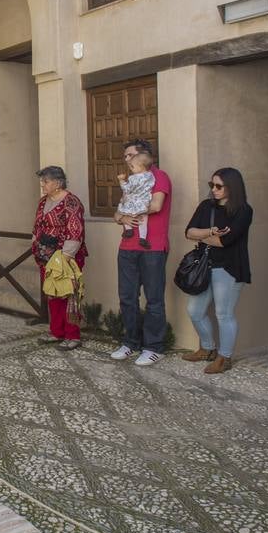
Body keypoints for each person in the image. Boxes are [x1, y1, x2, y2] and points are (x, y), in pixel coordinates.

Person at [181, 168, 254, 374]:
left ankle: (225, 357)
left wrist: (203, 235)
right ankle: (207, 348)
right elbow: (189, 232)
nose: (214, 189)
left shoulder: (243, 210)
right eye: (211, 185)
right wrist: (210, 232)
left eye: (219, 186)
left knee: (224, 314)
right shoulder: (206, 206)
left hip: (229, 268)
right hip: (205, 266)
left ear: (233, 187)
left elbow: (225, 241)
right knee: (194, 311)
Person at [109, 139, 172, 366]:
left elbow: (156, 206)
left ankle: (154, 347)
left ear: (143, 156)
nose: (126, 160)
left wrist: (130, 209)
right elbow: (117, 214)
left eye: (130, 155)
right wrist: (123, 216)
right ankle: (130, 343)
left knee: (154, 300)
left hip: (152, 248)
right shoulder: (132, 181)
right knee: (127, 297)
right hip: (127, 248)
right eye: (125, 156)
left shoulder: (158, 177)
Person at [32, 166, 88, 349]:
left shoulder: (71, 202)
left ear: (58, 183)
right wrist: (35, 244)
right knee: (52, 293)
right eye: (42, 181)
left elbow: (75, 230)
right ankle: (56, 332)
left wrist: (66, 257)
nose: (42, 185)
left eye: (45, 181)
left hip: (66, 255)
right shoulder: (43, 201)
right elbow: (38, 225)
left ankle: (72, 335)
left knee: (68, 294)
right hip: (45, 256)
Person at [117, 152, 156, 248]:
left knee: (124, 212)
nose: (131, 169)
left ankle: (129, 229)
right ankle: (143, 238)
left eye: (132, 167)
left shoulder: (133, 178)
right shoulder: (150, 176)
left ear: (141, 166)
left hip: (133, 202)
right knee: (143, 220)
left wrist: (122, 181)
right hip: (144, 203)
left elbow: (127, 189)